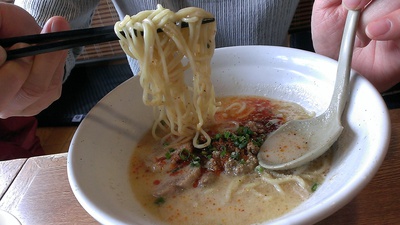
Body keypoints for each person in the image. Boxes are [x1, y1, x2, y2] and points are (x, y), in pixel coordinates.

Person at [0, 0, 398, 158]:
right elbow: (43, 28)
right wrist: (25, 65)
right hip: (150, 117)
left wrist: (344, 58)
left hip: (291, 81)